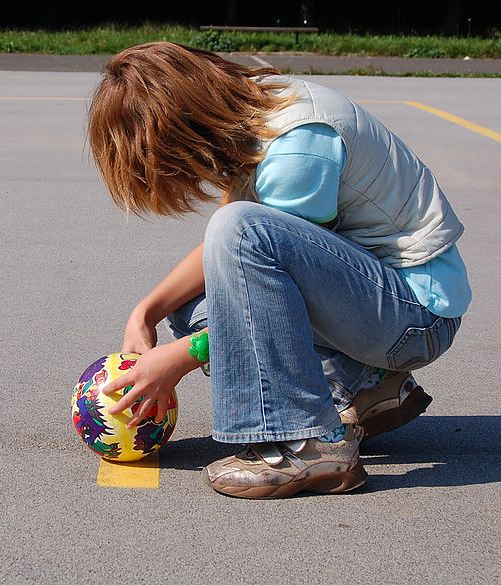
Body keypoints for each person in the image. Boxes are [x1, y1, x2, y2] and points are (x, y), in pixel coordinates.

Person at [86, 42, 471, 499]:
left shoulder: (297, 148)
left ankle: (314, 446)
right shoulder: (255, 114)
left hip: (414, 316)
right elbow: (229, 257)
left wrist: (180, 358)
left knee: (238, 232)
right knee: (201, 284)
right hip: (373, 304)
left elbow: (259, 274)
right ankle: (363, 385)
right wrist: (145, 312)